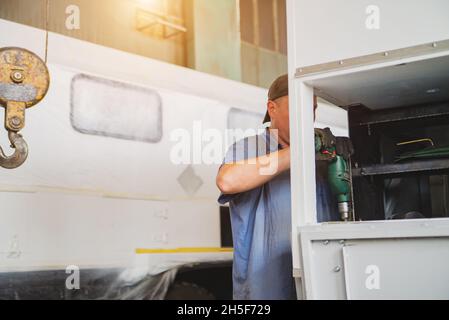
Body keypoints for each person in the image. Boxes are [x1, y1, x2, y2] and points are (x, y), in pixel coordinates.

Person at [216, 74, 339, 300]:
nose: (307, 117)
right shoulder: (250, 147)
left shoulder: (323, 153)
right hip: (265, 286)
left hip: (319, 279)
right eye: (298, 107)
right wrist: (296, 153)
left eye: (311, 109)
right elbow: (227, 181)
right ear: (272, 108)